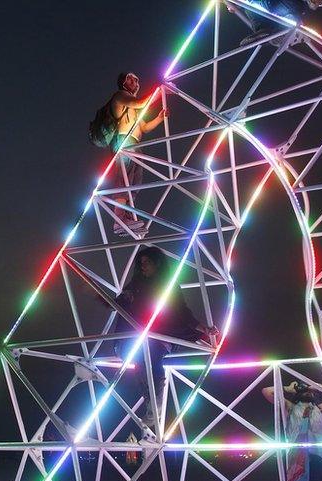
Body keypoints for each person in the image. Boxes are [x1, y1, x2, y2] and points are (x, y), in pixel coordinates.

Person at [109, 247, 218, 434]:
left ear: (157, 264)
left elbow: (182, 312)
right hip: (137, 334)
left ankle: (155, 402)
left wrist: (203, 329)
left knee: (150, 356)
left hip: (161, 334)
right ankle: (152, 403)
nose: (142, 266)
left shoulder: (169, 286)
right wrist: (120, 299)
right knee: (139, 362)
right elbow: (116, 305)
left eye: (147, 262)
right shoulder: (135, 285)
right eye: (140, 263)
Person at [107, 72, 167, 236]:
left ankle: (126, 216)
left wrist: (159, 118)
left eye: (137, 79)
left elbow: (144, 127)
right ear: (123, 82)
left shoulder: (133, 106)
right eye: (130, 78)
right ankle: (119, 219)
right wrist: (159, 91)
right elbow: (141, 103)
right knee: (124, 179)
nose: (135, 81)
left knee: (135, 182)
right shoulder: (120, 96)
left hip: (136, 143)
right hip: (125, 141)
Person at [236, 0, 322, 46]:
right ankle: (264, 33)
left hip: (287, 10)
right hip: (274, 12)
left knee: (251, 5)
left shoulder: (305, 8)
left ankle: (275, 33)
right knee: (251, 6)